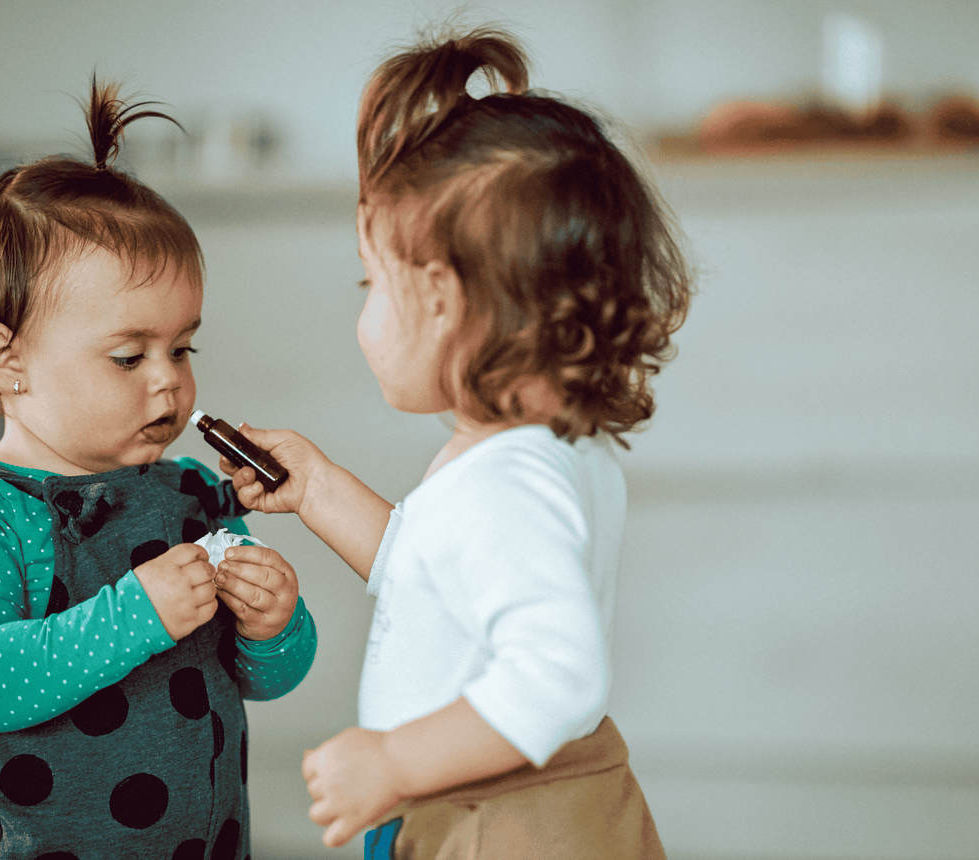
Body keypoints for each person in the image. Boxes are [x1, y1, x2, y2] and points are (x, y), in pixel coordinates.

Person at [220, 26, 691, 860]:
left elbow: (558, 672)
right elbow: (441, 582)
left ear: (439, 297)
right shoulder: (543, 451)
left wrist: (395, 759)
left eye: (372, 283)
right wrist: (320, 488)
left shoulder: (505, 480)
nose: (363, 311)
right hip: (514, 805)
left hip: (503, 820)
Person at [0, 76, 316, 860]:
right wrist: (138, 614)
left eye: (182, 348)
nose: (167, 378)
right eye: (130, 355)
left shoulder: (194, 493)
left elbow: (266, 677)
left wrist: (274, 626)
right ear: (8, 359)